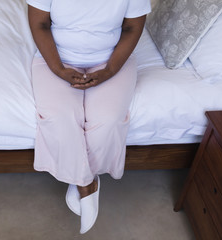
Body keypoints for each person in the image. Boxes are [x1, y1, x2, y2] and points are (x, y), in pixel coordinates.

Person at [27, 0, 151, 234]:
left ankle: (79, 176)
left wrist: (110, 70)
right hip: (55, 58)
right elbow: (40, 23)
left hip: (111, 60)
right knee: (58, 116)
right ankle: (86, 183)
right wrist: (59, 69)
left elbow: (133, 27)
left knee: (108, 119)